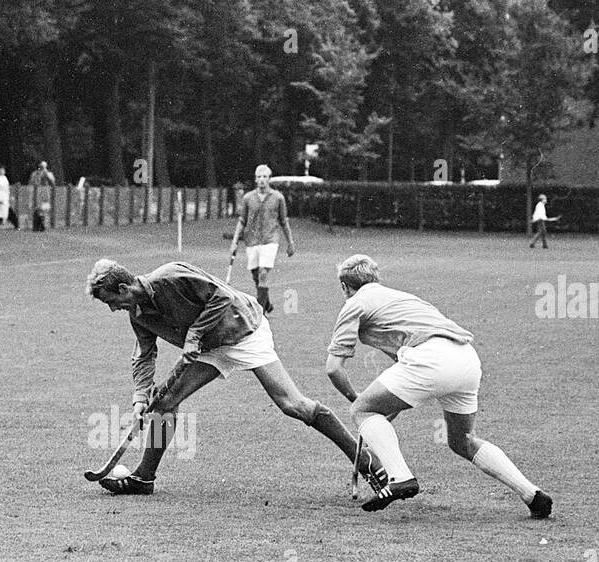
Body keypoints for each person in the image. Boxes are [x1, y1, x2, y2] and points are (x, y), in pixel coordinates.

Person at [84, 258, 359, 495]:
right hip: (210, 346)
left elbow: (222, 296)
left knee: (292, 405)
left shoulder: (171, 275)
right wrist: (140, 397)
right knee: (164, 402)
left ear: (123, 288)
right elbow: (144, 355)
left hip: (242, 330)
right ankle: (143, 478)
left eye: (113, 301)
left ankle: (365, 459)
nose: (113, 309)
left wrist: (194, 335)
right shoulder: (137, 313)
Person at [324, 253, 552, 517]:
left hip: (431, 358)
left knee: (362, 410)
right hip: (465, 358)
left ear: (344, 286)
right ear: (376, 278)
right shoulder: (402, 298)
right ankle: (531, 494)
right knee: (463, 441)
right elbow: (401, 371)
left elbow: (333, 368)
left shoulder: (354, 304)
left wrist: (359, 403)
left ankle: (399, 477)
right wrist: (382, 413)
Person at [229, 164, 295, 315]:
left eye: (264, 177)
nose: (262, 180)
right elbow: (242, 220)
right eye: (259, 177)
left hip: (270, 240)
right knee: (255, 275)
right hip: (251, 240)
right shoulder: (248, 198)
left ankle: (260, 312)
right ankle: (267, 303)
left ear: (269, 179)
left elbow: (284, 221)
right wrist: (234, 242)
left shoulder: (278, 198)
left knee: (263, 272)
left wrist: (290, 243)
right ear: (255, 179)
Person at [29, 160, 55, 231]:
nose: (42, 168)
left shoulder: (48, 173)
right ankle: (38, 226)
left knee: (44, 209)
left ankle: (42, 225)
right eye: (41, 167)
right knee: (38, 209)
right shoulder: (35, 174)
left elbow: (52, 181)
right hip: (37, 193)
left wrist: (46, 173)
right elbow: (32, 182)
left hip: (45, 193)